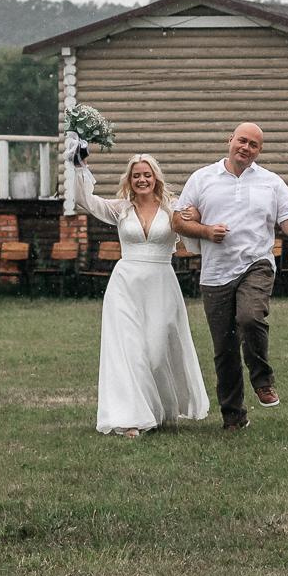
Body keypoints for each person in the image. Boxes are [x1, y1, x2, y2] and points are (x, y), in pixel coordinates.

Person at [170, 122, 288, 431]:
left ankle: (262, 379)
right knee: (224, 349)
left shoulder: (271, 183)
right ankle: (234, 417)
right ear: (230, 140)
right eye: (242, 140)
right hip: (215, 273)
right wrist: (206, 231)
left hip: (256, 265)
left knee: (250, 317)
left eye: (253, 144)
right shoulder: (202, 178)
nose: (246, 148)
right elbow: (179, 221)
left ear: (259, 151)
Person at [69, 151, 209, 438]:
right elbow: (85, 200)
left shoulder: (173, 208)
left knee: (156, 353)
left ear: (156, 178)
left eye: (147, 174)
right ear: (129, 180)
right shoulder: (121, 209)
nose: (142, 180)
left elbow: (198, 222)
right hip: (125, 286)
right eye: (136, 176)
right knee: (129, 352)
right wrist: (79, 166)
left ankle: (159, 409)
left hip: (161, 285)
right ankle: (131, 418)